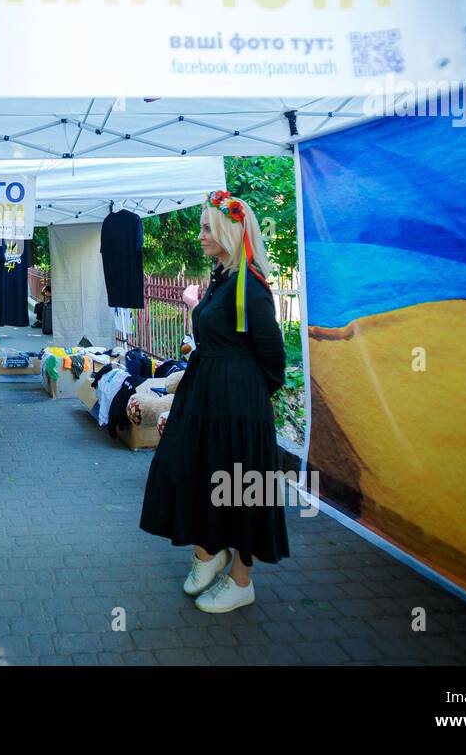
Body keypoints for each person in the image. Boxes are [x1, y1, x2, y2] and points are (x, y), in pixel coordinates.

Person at [140, 190, 288, 614]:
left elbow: (273, 357)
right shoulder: (223, 277)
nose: (201, 233)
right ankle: (209, 552)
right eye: (203, 226)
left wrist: (250, 400)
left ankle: (242, 581)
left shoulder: (251, 287)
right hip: (206, 398)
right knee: (190, 471)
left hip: (237, 405)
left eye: (207, 227)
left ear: (228, 229)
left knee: (243, 490)